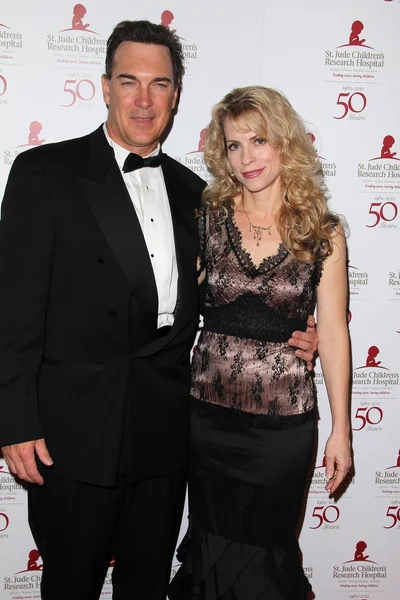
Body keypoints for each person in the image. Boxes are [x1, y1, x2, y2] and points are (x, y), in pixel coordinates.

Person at [0, 21, 317, 600]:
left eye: (160, 84)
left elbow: (239, 290)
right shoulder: (44, 174)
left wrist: (295, 330)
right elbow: (13, 311)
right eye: (129, 81)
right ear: (104, 87)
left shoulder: (199, 195)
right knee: (69, 584)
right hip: (73, 439)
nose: (144, 99)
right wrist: (15, 420)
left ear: (175, 94)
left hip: (167, 435)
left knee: (147, 587)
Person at [168, 86, 352, 599]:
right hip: (206, 420)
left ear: (284, 144)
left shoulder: (321, 232)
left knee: (266, 556)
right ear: (220, 154)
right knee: (213, 544)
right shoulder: (205, 221)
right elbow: (172, 306)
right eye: (233, 145)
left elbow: (334, 333)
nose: (247, 158)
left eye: (259, 140)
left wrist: (342, 432)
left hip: (282, 428)